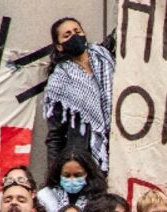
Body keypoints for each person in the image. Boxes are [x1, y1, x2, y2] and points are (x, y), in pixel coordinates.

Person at [44, 17, 114, 171]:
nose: (74, 36)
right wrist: (54, 176)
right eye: (67, 35)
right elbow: (55, 136)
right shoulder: (58, 82)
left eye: (77, 31)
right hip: (85, 162)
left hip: (119, 149)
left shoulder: (105, 56)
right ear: (59, 46)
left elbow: (126, 29)